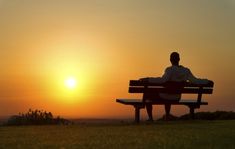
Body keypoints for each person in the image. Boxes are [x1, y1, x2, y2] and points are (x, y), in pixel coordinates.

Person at [140, 52, 211, 121]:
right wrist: (207, 81)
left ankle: (150, 118)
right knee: (168, 92)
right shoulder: (186, 71)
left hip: (165, 96)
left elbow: (162, 80)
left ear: (170, 60)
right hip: (177, 97)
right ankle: (167, 116)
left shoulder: (169, 70)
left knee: (147, 94)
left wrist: (147, 79)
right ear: (179, 59)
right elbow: (195, 81)